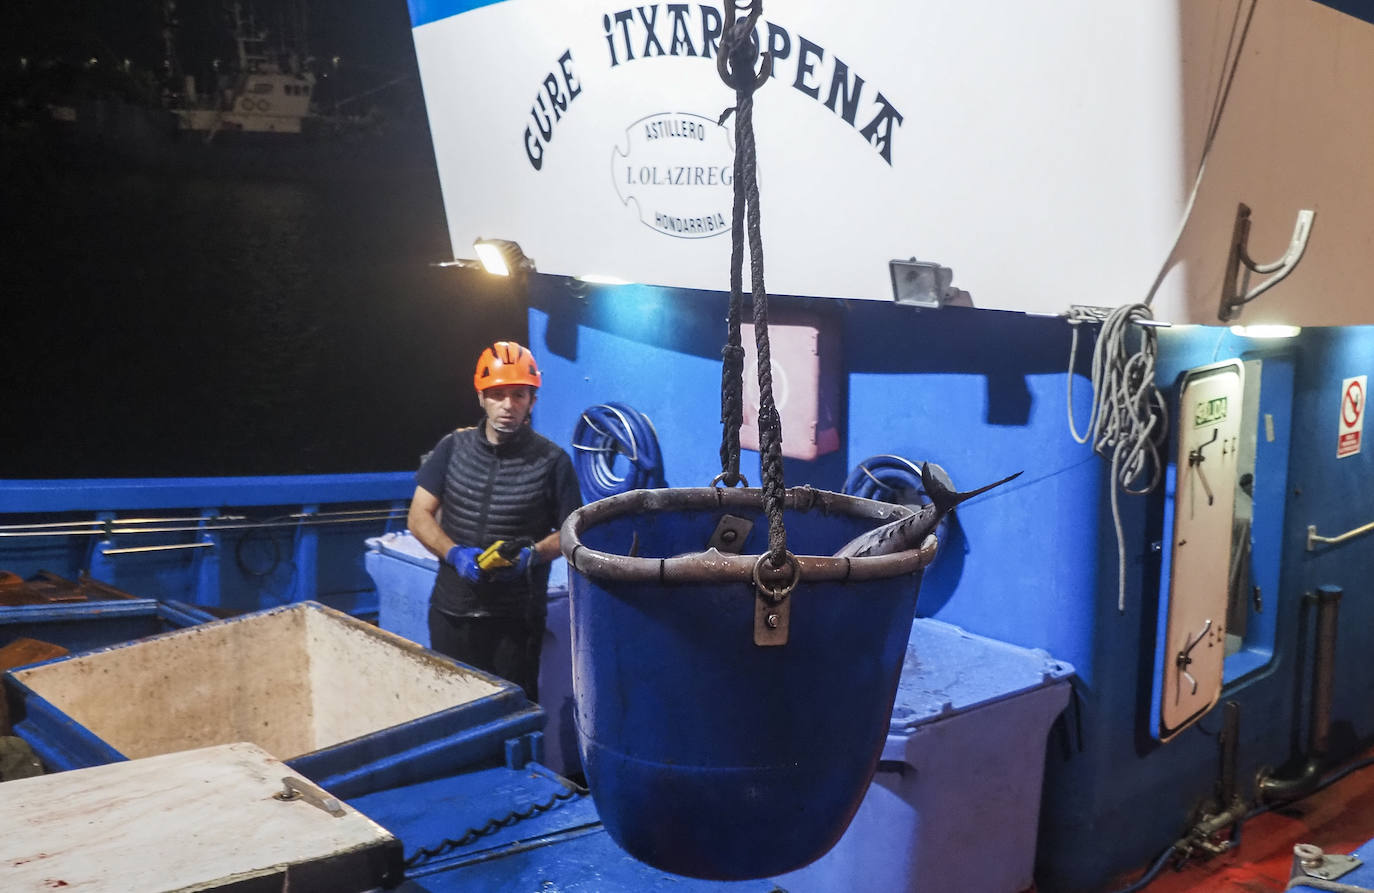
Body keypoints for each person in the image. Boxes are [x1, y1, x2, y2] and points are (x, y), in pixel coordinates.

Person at [407, 341, 582, 701]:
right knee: (449, 706)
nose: (508, 406)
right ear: (481, 398)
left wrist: (532, 556)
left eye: (518, 395)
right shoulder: (451, 448)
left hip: (515, 621)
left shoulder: (553, 462)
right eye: (498, 394)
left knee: (512, 713)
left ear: (532, 401)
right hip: (450, 612)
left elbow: (572, 533)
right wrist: (454, 553)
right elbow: (418, 516)